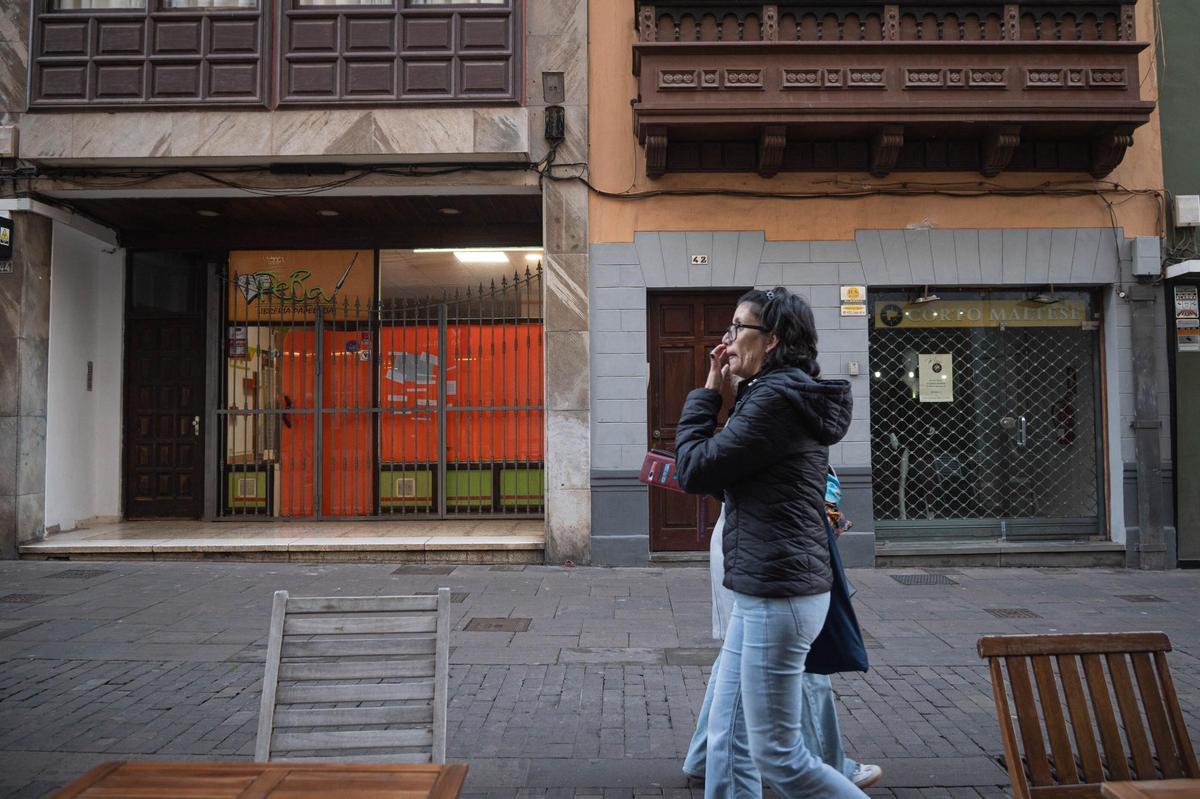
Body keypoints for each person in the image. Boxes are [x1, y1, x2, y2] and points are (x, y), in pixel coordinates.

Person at [675, 287, 866, 798]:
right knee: (730, 740)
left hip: (778, 591)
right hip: (770, 585)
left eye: (740, 328)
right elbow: (734, 480)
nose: (728, 339)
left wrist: (708, 394)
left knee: (780, 758)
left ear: (774, 338)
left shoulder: (775, 400)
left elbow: (693, 469)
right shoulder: (774, 395)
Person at [681, 479, 882, 791]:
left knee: (742, 668)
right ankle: (832, 765)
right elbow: (700, 471)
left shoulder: (776, 430)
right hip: (770, 562)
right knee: (792, 691)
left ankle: (705, 757)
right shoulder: (777, 429)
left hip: (763, 556)